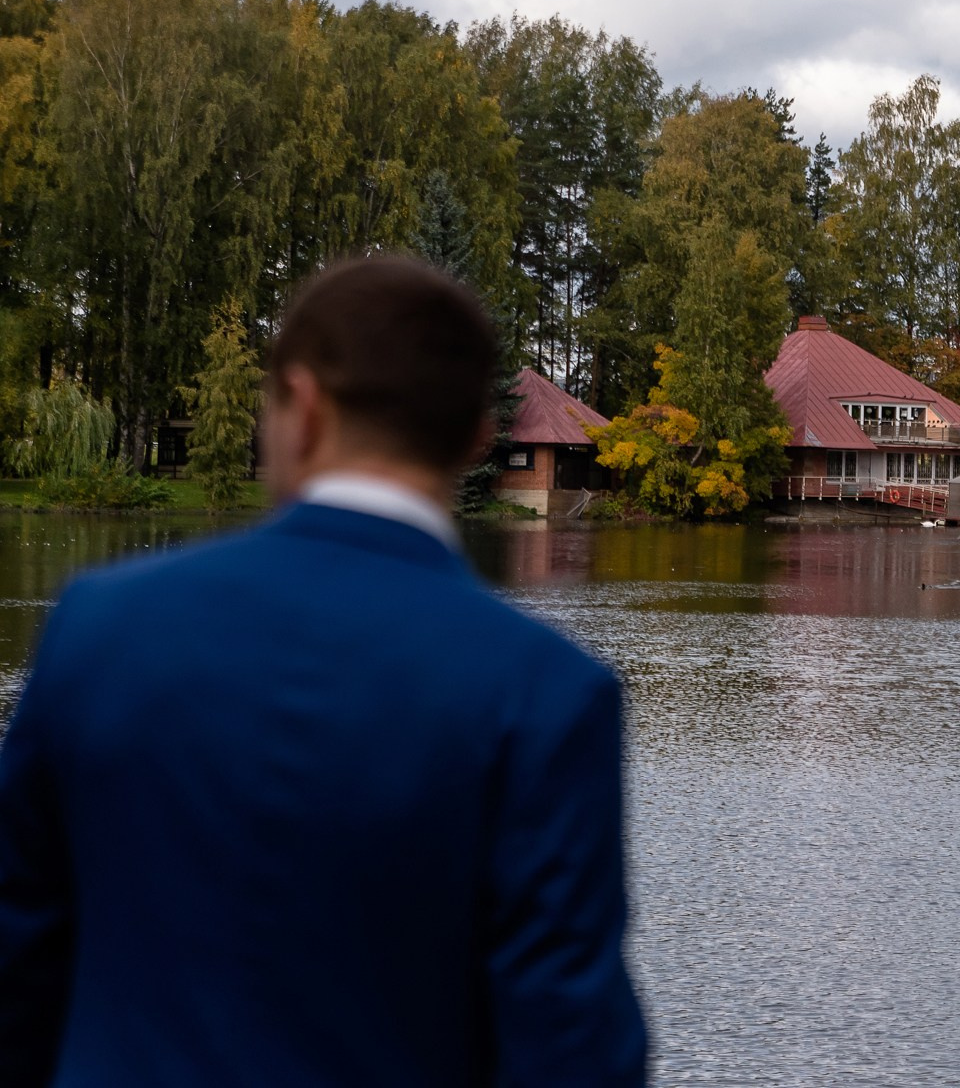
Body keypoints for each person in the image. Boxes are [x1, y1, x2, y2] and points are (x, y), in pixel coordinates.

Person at [0, 257, 646, 1088]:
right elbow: (571, 1053)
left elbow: (16, 964)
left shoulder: (99, 628)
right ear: (477, 436)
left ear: (301, 408)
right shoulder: (548, 694)